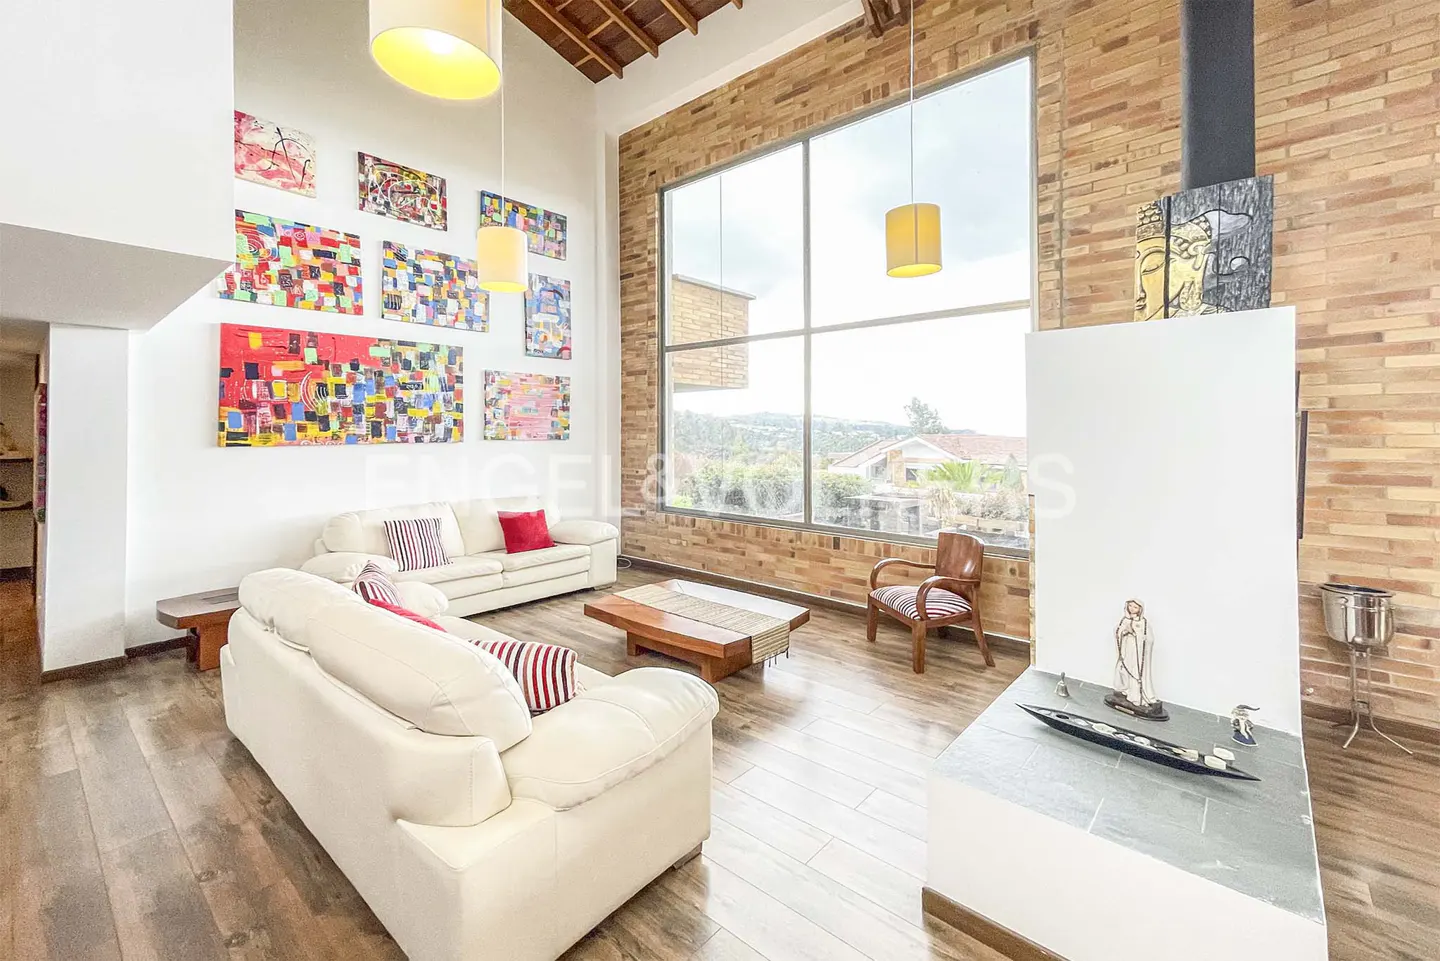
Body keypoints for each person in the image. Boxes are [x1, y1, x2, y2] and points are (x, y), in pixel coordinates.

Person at [1105, 599, 1168, 721]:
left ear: (1140, 609)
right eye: (1130, 606)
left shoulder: (1143, 623)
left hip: (1137, 655)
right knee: (1122, 670)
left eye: (1135, 607)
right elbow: (1117, 632)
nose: (1132, 609)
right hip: (1126, 651)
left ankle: (1136, 695)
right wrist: (1124, 632)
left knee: (1136, 673)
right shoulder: (1125, 620)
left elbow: (1149, 640)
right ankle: (1123, 690)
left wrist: (1135, 633)